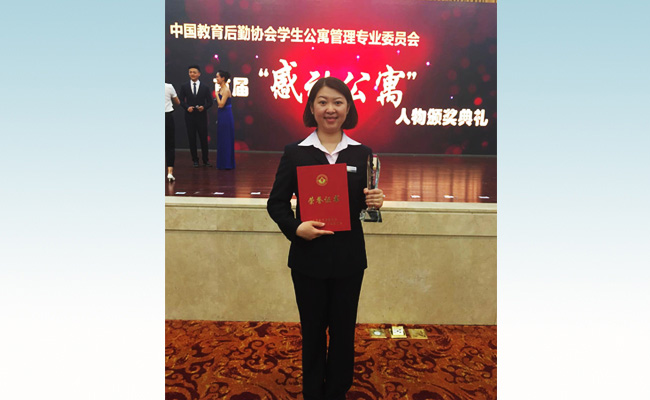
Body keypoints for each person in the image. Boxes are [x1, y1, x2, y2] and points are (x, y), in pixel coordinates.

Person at [267, 77, 384, 400]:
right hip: (309, 259)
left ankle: (336, 392)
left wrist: (375, 201)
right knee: (313, 332)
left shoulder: (362, 153)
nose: (330, 109)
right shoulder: (296, 153)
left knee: (344, 333)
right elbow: (276, 203)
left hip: (349, 260)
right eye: (322, 102)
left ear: (348, 108)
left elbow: (363, 205)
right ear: (312, 108)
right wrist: (296, 228)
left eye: (337, 102)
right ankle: (313, 393)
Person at [178, 65, 213, 167]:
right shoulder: (184, 86)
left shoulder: (205, 87)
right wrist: (187, 107)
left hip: (201, 116)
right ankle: (195, 160)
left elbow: (210, 102)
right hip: (189, 116)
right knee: (192, 138)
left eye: (194, 72)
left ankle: (205, 160)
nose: (192, 74)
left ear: (199, 74)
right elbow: (181, 100)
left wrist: (204, 107)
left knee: (203, 139)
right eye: (190, 72)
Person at [215, 70, 235, 170]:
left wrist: (216, 94)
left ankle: (227, 163)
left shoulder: (226, 90)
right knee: (222, 138)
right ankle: (222, 163)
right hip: (222, 115)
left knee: (226, 138)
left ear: (223, 78)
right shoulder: (221, 89)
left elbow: (221, 104)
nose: (216, 79)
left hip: (226, 116)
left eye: (218, 77)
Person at [165, 82, 180, 181]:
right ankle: (170, 173)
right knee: (170, 145)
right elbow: (177, 102)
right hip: (167, 116)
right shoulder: (169, 87)